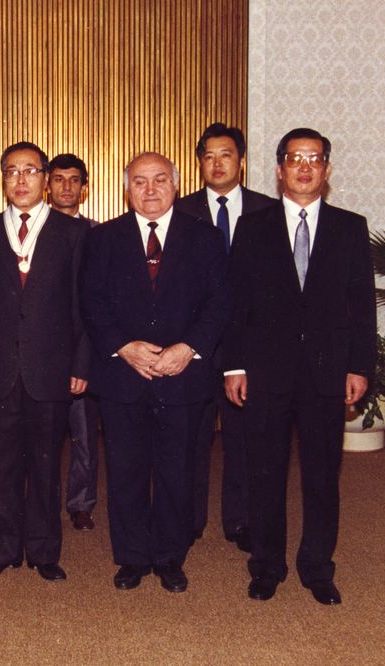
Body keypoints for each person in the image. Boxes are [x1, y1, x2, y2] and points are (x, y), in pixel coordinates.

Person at [224, 128, 375, 605]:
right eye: (295, 159)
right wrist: (233, 366)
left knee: (322, 476)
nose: (305, 167)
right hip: (266, 371)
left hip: (327, 371)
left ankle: (317, 567)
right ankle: (266, 565)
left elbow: (361, 306)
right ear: (279, 169)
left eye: (314, 159)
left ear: (327, 169)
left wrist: (359, 367)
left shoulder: (350, 227)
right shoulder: (253, 227)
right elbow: (237, 304)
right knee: (265, 472)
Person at [80, 152, 230, 593]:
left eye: (160, 179)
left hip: (183, 375)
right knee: (125, 471)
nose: (150, 189)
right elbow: (90, 300)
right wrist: (123, 347)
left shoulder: (205, 238)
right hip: (123, 376)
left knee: (176, 471)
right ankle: (131, 557)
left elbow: (220, 301)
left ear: (175, 185)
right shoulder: (103, 238)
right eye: (140, 181)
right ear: (127, 188)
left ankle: (169, 557)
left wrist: (189, 348)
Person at [0, 142, 89, 581]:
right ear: (3, 179)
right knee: (3, 465)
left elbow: (82, 306)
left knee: (45, 465)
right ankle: (1, 550)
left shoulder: (72, 233)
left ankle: (44, 551)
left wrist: (81, 365)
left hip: (51, 369)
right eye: (12, 171)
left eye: (30, 171)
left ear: (45, 179)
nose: (21, 180)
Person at [174, 123, 276, 551]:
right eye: (209, 156)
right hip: (194, 345)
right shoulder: (179, 210)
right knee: (189, 439)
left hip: (249, 347)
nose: (217, 163)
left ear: (241, 161)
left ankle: (241, 521)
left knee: (245, 439)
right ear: (200, 163)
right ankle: (188, 521)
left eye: (226, 155)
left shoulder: (269, 211)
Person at [47, 152, 100, 532]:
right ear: (47, 185)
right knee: (42, 436)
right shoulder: (31, 230)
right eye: (58, 179)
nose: (66, 186)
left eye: (74, 180)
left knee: (84, 433)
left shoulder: (99, 234)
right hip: (42, 350)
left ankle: (82, 503)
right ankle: (43, 503)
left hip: (84, 348)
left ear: (84, 187)